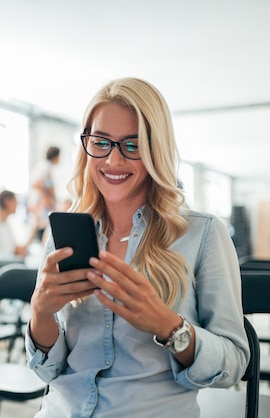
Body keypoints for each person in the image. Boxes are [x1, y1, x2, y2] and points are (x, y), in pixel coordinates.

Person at [26, 78, 249, 417]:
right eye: (100, 142)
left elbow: (234, 364)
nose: (113, 161)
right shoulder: (66, 233)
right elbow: (48, 369)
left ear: (155, 150)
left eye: (132, 145)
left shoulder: (203, 234)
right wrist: (40, 313)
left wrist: (170, 327)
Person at [28, 145, 61, 242]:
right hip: (41, 205)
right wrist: (46, 198)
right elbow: (36, 183)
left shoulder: (45, 166)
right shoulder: (45, 167)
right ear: (55, 156)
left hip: (42, 204)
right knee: (40, 226)